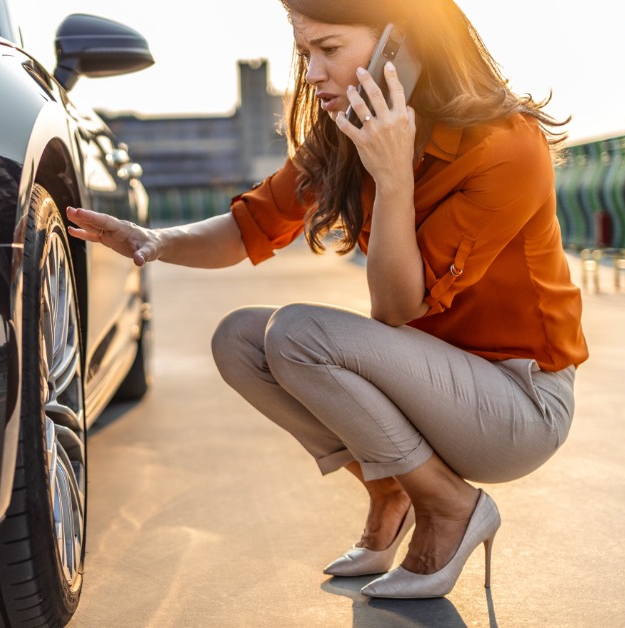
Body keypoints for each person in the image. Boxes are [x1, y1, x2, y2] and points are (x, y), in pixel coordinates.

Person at [65, 0, 588, 599]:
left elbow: (395, 309)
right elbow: (248, 228)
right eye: (304, 52)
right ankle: (389, 484)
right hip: (431, 389)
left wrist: (392, 180)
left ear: (402, 45)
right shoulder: (344, 135)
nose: (311, 73)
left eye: (330, 50)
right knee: (239, 339)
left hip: (516, 406)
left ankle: (448, 505)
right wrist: (153, 240)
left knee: (296, 334)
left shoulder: (505, 146)